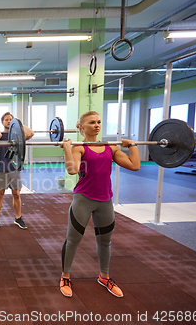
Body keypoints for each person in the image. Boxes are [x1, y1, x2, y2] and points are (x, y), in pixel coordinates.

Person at [59, 111, 140, 298]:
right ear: (81, 126)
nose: (97, 125)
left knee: (105, 242)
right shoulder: (79, 148)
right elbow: (72, 170)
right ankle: (65, 277)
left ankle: (104, 277)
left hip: (105, 201)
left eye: (99, 122)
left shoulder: (110, 148)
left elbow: (134, 165)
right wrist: (66, 148)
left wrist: (133, 145)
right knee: (73, 240)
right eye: (92, 122)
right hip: (83, 199)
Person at [0, 112, 34, 230]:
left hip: (15, 169)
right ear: (2, 122)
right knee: (0, 194)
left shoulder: (17, 137)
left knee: (17, 194)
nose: (9, 121)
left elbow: (30, 133)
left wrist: (18, 124)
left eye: (11, 120)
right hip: (2, 169)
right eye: (6, 120)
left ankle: (18, 218)